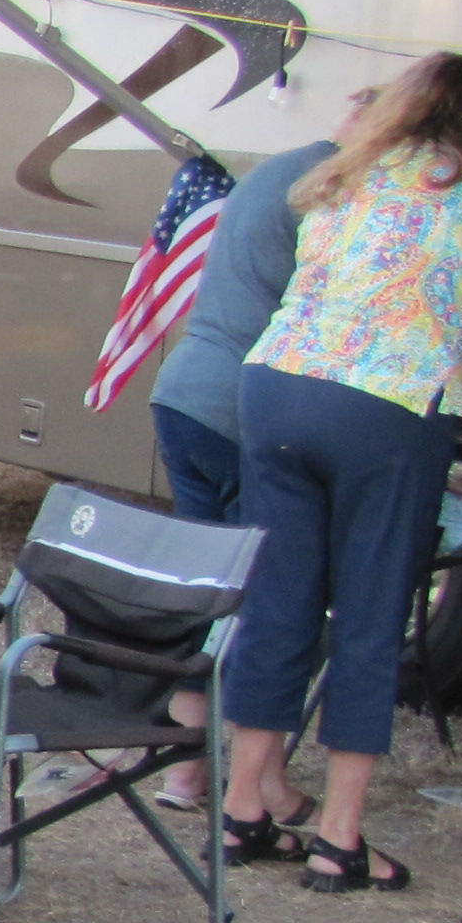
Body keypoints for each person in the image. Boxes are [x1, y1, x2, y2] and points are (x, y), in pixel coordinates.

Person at [216, 55, 462, 896]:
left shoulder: (346, 179)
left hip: (276, 387)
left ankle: (241, 810)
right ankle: (338, 837)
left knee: (279, 600)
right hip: (391, 405)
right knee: (370, 613)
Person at [143, 90, 376, 837]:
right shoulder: (339, 188)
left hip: (184, 391)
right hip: (247, 405)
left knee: (208, 587)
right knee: (270, 598)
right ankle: (262, 780)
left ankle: (181, 769)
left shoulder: (278, 167)